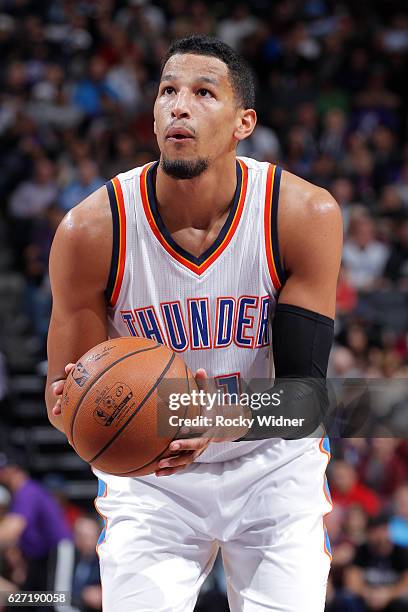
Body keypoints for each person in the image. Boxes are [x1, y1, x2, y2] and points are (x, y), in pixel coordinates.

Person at [45, 35, 342, 611]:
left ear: (243, 121)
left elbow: (307, 399)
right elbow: (68, 402)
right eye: (167, 91)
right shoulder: (90, 232)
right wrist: (73, 410)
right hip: (152, 479)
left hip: (270, 467)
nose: (178, 105)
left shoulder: (301, 215)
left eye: (204, 92)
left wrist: (217, 418)